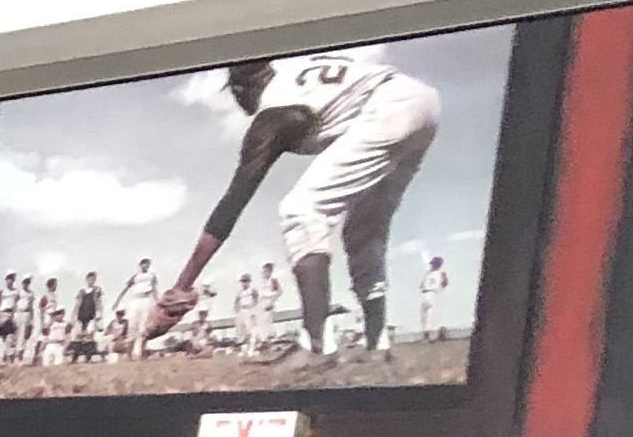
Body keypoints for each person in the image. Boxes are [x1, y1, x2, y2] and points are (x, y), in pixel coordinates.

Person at [144, 53, 442, 358]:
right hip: (421, 102)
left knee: (302, 210)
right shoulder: (299, 75)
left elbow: (234, 201)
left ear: (238, 91)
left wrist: (182, 285)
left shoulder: (273, 111)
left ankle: (315, 347)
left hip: (388, 109)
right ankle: (377, 345)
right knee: (364, 232)